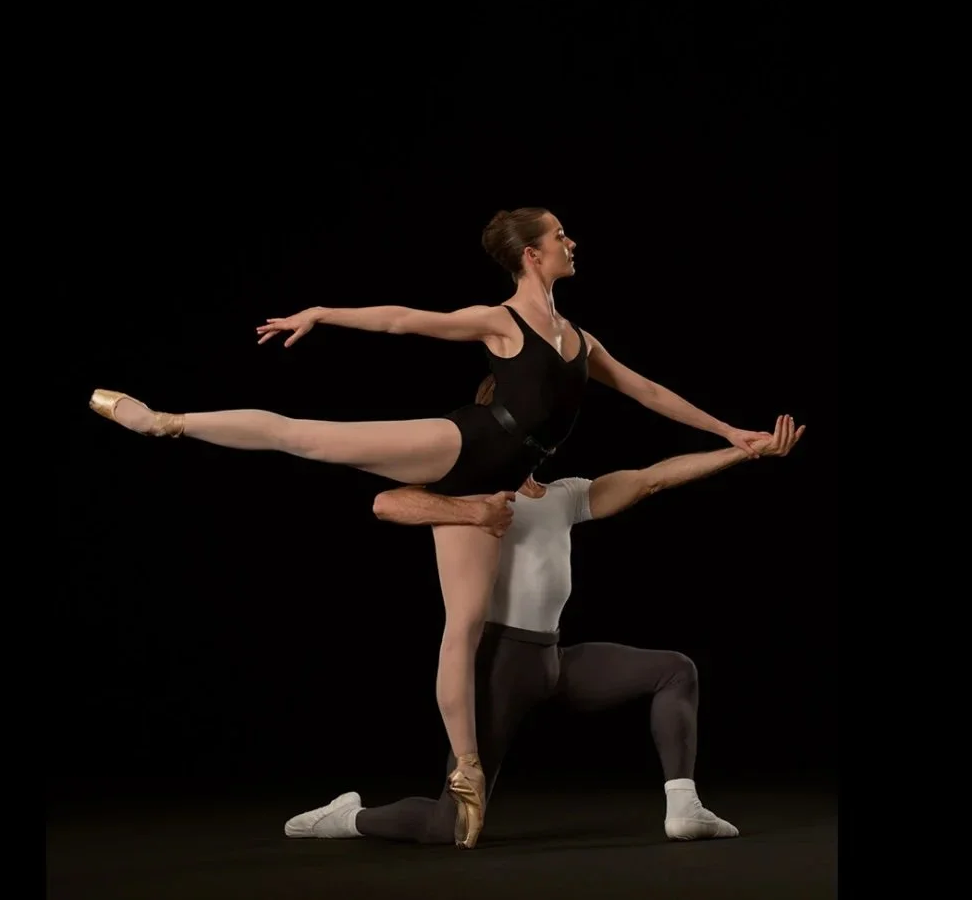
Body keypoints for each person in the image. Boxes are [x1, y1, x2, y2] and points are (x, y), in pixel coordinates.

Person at [89, 207, 767, 847]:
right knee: (312, 437)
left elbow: (650, 392)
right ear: (531, 254)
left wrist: (729, 431)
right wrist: (323, 312)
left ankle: (467, 772)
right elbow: (404, 321)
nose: (572, 241)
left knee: (466, 622)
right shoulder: (501, 321)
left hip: (498, 481)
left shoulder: (583, 343)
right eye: (561, 234)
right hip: (467, 445)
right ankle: (165, 421)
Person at [280, 402, 805, 847]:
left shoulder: (566, 495)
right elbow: (388, 502)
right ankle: (346, 818)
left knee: (675, 671)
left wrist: (742, 451)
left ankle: (684, 808)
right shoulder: (467, 492)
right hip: (501, 668)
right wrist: (471, 514)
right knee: (453, 823)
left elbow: (651, 479)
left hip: (553, 660)